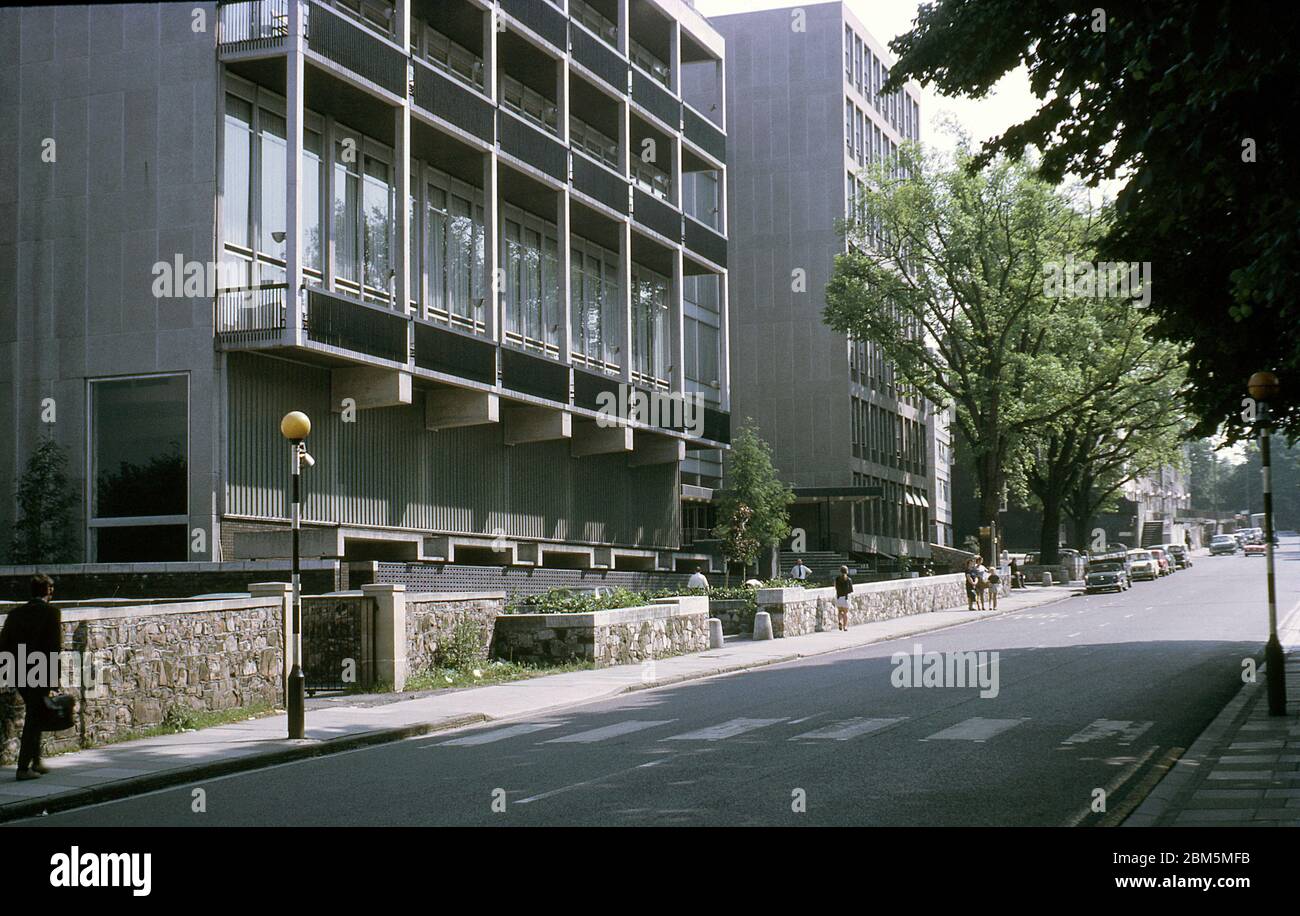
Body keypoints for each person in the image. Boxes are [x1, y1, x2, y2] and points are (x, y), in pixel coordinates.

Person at [0, 574, 62, 780]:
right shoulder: (51, 613)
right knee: (33, 718)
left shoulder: (15, 614)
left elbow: (4, 647)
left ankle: (36, 761)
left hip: (18, 673)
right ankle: (23, 768)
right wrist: (54, 680)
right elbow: (54, 649)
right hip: (40, 672)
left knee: (34, 714)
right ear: (49, 591)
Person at [834, 565, 853, 632]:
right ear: (847, 571)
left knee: (839, 611)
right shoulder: (848, 579)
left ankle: (840, 621)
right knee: (845, 613)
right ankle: (845, 626)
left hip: (839, 597)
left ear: (840, 571)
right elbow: (850, 590)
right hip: (845, 598)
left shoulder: (837, 579)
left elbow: (835, 587)